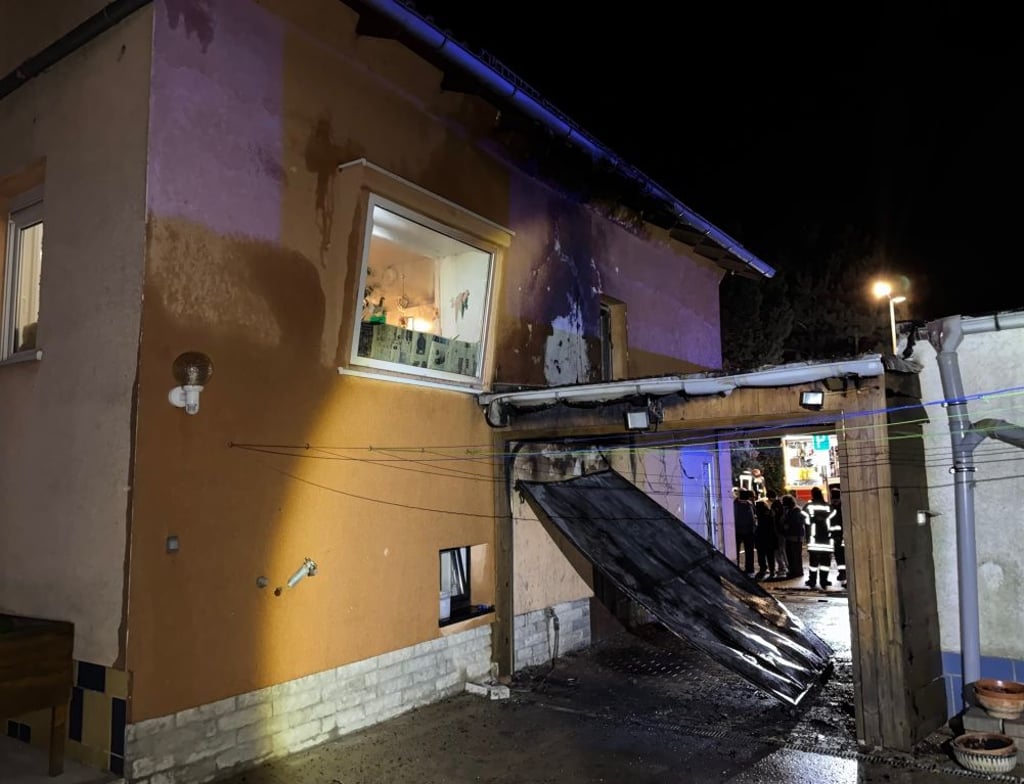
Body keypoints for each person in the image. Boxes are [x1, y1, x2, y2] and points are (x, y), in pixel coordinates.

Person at [803, 486, 837, 589]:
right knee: (825, 563)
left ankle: (812, 581)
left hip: (814, 540)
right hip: (826, 539)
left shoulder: (808, 506)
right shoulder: (828, 507)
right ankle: (824, 581)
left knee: (813, 563)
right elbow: (833, 520)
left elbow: (805, 520)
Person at [780, 494, 806, 579]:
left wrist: (786, 525)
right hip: (794, 536)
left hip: (795, 536)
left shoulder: (795, 511)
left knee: (794, 555)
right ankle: (795, 571)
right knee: (793, 555)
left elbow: (795, 523)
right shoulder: (793, 510)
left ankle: (796, 572)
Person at [754, 497, 777, 579]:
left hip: (761, 537)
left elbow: (757, 527)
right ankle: (772, 571)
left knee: (761, 555)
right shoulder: (770, 514)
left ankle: (763, 569)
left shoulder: (759, 515)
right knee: (770, 555)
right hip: (769, 537)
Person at [734, 489, 756, 575]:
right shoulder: (750, 504)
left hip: (737, 530)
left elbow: (734, 516)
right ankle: (750, 569)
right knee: (749, 551)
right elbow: (753, 518)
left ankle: (736, 567)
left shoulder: (735, 504)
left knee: (736, 551)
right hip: (749, 531)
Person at [767, 489, 788, 577]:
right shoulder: (781, 504)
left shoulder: (775, 505)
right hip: (782, 531)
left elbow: (774, 517)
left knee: (778, 551)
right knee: (783, 550)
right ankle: (787, 567)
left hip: (778, 531)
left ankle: (782, 568)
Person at [829, 485, 847, 586]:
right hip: (839, 537)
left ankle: (843, 573)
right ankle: (842, 573)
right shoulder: (841, 507)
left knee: (841, 557)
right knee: (840, 557)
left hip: (839, 537)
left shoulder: (833, 508)